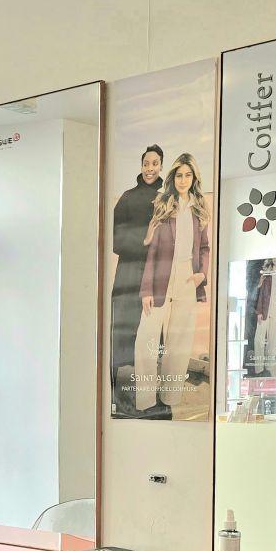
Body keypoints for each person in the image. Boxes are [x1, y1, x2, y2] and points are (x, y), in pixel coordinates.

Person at [141, 153, 211, 413]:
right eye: (179, 175)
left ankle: (169, 399)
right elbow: (151, 250)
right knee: (146, 335)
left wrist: (201, 274)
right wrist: (146, 289)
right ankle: (146, 400)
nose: (183, 180)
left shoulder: (199, 208)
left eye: (188, 175)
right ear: (173, 178)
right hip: (162, 272)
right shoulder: (163, 203)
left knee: (180, 338)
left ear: (194, 178)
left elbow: (204, 247)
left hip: (187, 274)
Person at [109, 144, 164, 414]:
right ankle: (120, 398)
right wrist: (144, 239)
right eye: (146, 163)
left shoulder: (169, 197)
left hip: (159, 274)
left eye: (155, 163)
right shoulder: (128, 198)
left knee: (153, 333)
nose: (150, 168)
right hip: (129, 274)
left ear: (161, 166)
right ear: (141, 166)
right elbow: (114, 238)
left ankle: (151, 398)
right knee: (124, 329)